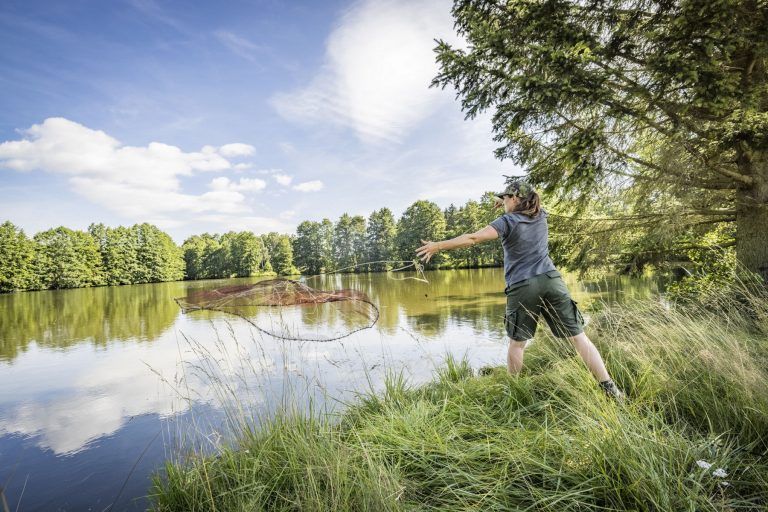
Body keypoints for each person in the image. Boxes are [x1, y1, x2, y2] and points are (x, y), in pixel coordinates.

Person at [416, 178, 624, 400]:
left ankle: (516, 393)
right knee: (579, 338)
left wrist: (437, 246)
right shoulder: (541, 216)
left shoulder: (506, 222)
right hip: (552, 280)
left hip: (523, 285)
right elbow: (526, 204)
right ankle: (610, 388)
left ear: (514, 198)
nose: (502, 202)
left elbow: (473, 238)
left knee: (518, 344)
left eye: (505, 198)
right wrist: (505, 203)